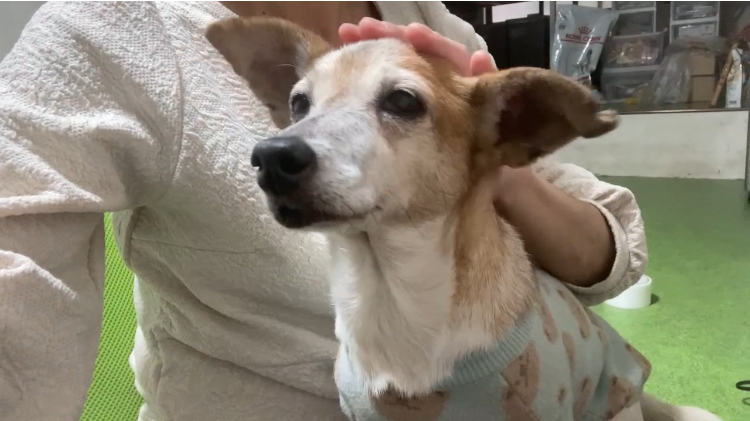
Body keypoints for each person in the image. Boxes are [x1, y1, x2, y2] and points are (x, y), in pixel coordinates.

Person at [0, 2, 647, 421]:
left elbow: (615, 251)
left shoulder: (431, 22)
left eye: (400, 103)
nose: (287, 147)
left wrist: (490, 162)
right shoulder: (110, 26)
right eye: (300, 105)